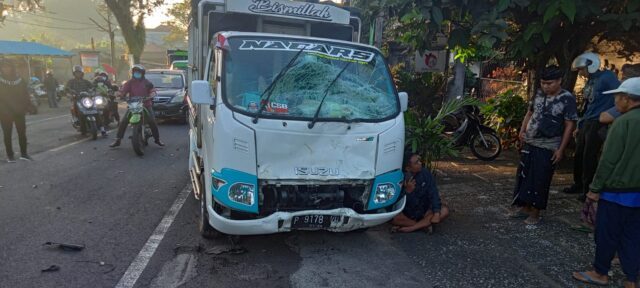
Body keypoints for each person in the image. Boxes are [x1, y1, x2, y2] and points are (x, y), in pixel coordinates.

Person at [572, 77, 640, 288]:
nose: (615, 103)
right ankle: (631, 278)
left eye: (618, 98)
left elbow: (608, 160)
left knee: (607, 233)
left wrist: (594, 189)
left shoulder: (623, 122)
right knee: (633, 236)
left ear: (628, 99)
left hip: (616, 190)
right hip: (637, 194)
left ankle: (600, 272)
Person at [509, 65, 578, 225]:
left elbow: (569, 125)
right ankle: (524, 207)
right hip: (530, 140)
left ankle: (535, 213)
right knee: (524, 175)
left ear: (559, 81)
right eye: (543, 83)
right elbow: (530, 113)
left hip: (549, 144)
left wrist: (561, 149)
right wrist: (522, 130)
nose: (546, 86)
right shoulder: (538, 94)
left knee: (540, 178)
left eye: (550, 83)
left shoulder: (567, 98)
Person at [564, 52, 620, 200]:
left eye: (582, 69)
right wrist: (579, 125)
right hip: (587, 121)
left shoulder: (608, 77)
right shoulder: (590, 81)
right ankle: (578, 184)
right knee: (579, 154)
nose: (581, 73)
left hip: (599, 122)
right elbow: (588, 104)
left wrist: (612, 115)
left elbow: (620, 96)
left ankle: (588, 188)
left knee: (590, 155)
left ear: (592, 65)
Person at [391, 153, 449, 233]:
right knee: (394, 217)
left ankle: (412, 228)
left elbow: (434, 193)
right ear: (408, 168)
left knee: (444, 210)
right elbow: (395, 201)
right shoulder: (401, 178)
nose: (420, 163)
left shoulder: (425, 173)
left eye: (419, 161)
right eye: (416, 163)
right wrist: (407, 192)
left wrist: (436, 213)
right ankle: (423, 226)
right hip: (407, 215)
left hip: (423, 212)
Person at [109, 65, 164, 147]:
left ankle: (157, 139)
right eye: (135, 72)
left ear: (142, 73)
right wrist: (119, 94)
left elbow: (152, 90)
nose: (137, 74)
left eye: (138, 72)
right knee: (123, 121)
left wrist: (152, 94)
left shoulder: (147, 82)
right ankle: (118, 139)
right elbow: (123, 91)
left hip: (146, 105)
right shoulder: (130, 82)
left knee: (152, 121)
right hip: (133, 106)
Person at [0, 59, 33, 162]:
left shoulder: (19, 80)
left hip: (19, 112)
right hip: (5, 113)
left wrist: (28, 106)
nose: (6, 69)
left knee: (22, 133)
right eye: (3, 67)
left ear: (12, 67)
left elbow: (25, 94)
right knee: (7, 135)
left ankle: (24, 154)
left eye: (8, 66)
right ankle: (10, 156)